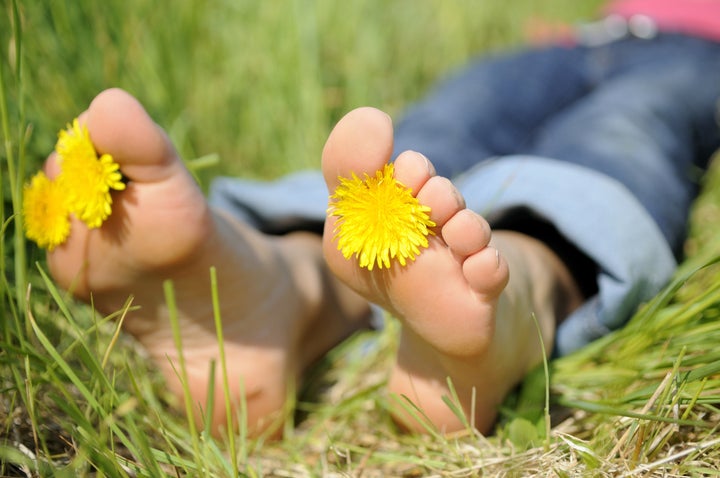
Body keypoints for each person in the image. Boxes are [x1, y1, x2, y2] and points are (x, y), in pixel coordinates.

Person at [44, 0, 720, 438]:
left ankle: (512, 298)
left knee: (625, 127)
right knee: (439, 133)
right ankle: (285, 283)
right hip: (568, 43)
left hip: (697, 54)